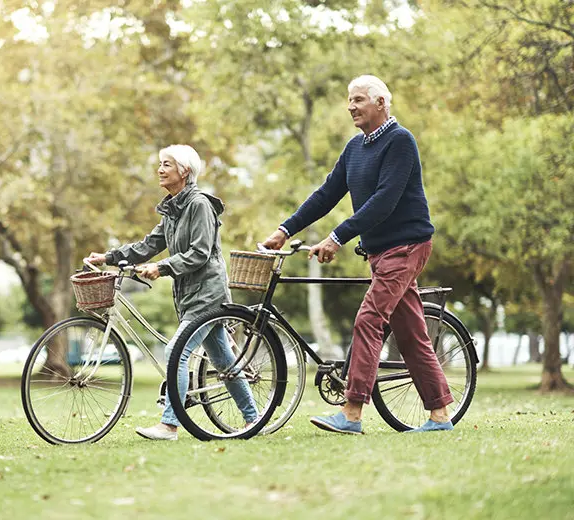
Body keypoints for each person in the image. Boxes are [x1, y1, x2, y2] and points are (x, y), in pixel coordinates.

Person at [262, 75, 454, 434]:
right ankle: (441, 416)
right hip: (381, 252)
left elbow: (384, 200)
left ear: (381, 103)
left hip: (406, 246)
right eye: (349, 100)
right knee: (411, 335)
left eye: (359, 99)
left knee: (369, 320)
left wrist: (337, 237)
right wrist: (285, 229)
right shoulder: (355, 147)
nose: (351, 106)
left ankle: (351, 413)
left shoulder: (400, 141)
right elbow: (326, 194)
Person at [85, 144, 258, 441]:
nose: (160, 169)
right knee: (224, 361)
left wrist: (162, 267)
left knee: (175, 352)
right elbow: (148, 245)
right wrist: (109, 257)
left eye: (166, 164)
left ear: (184, 171)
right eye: (160, 164)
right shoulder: (173, 209)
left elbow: (201, 252)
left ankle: (170, 424)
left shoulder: (199, 205)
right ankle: (254, 419)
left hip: (209, 294)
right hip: (191, 294)